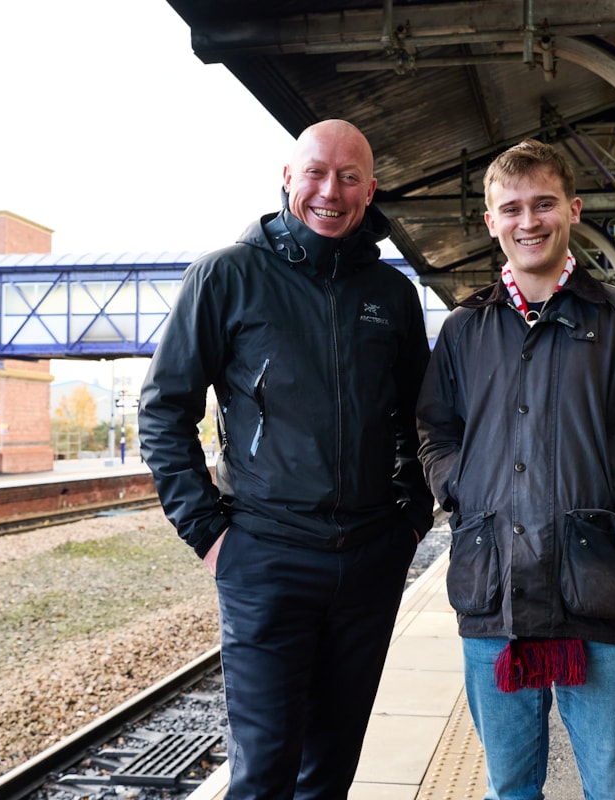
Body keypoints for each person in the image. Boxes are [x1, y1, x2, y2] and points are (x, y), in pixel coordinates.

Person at [137, 119, 433, 799]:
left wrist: (412, 519)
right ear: (287, 179)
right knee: (264, 772)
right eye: (316, 173)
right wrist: (209, 535)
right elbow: (163, 407)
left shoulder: (389, 295)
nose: (331, 190)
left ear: (370, 188)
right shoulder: (228, 277)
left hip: (369, 561)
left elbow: (422, 416)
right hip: (266, 558)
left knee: (330, 773)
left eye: (349, 176)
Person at [416, 138, 615, 800]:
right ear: (491, 222)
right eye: (512, 208)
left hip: (596, 588)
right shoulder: (465, 330)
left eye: (544, 203)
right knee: (509, 785)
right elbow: (435, 430)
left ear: (572, 209)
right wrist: (460, 486)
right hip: (496, 591)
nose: (529, 221)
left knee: (613, 786)